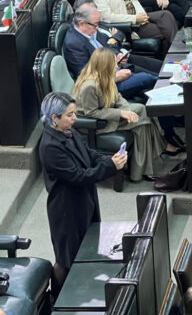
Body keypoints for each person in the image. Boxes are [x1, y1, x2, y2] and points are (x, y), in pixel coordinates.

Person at [37, 91, 127, 294]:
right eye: (69, 115)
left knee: (87, 248)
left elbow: (89, 154)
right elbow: (78, 176)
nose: (74, 118)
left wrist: (109, 160)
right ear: (54, 118)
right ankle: (55, 300)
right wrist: (111, 167)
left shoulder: (69, 131)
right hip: (66, 209)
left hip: (84, 200)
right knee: (66, 260)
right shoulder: (50, 146)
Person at [73, 48, 182, 182]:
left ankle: (144, 169)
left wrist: (127, 110)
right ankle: (154, 155)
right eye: (114, 63)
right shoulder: (89, 86)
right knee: (142, 119)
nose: (117, 66)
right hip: (95, 124)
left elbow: (117, 98)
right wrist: (121, 113)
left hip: (108, 113)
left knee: (141, 114)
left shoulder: (105, 76)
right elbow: (92, 112)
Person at [63, 4, 161, 100]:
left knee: (161, 67)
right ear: (81, 24)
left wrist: (117, 54)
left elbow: (115, 37)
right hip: (109, 84)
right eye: (95, 25)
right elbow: (85, 76)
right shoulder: (73, 44)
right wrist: (115, 77)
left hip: (119, 64)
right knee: (149, 78)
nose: (98, 28)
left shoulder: (92, 25)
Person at [91, 0, 178, 56]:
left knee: (166, 15)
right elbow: (107, 17)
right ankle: (177, 53)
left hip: (140, 16)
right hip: (131, 25)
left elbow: (134, 1)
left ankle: (174, 55)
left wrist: (142, 16)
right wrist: (135, 19)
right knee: (166, 29)